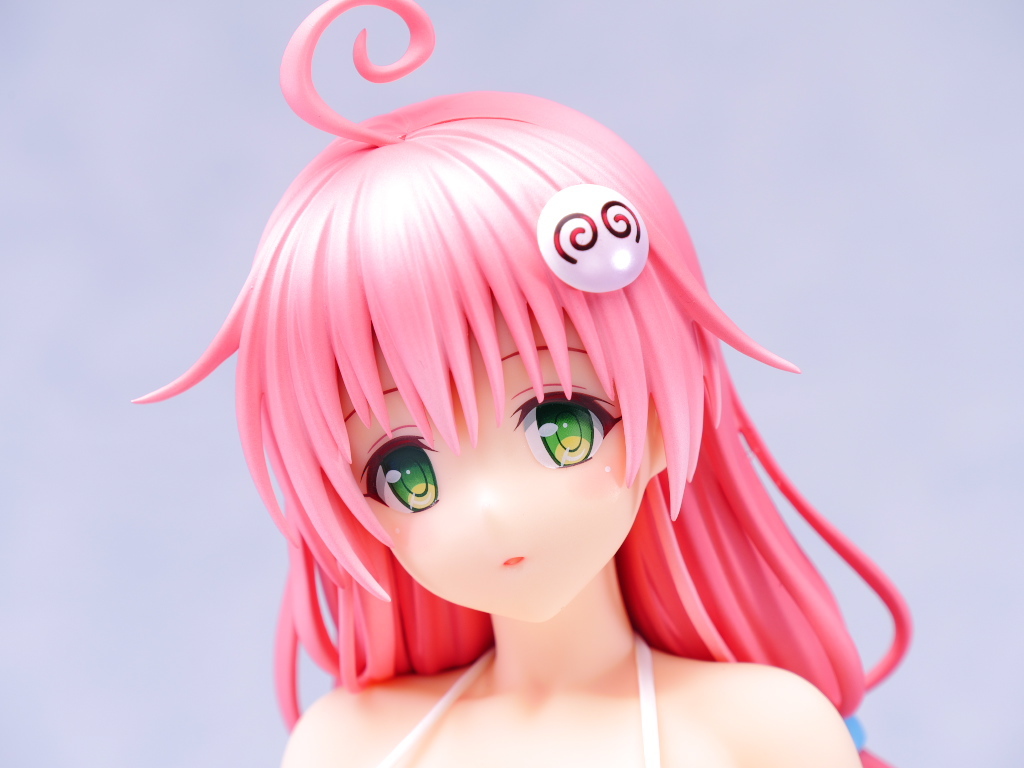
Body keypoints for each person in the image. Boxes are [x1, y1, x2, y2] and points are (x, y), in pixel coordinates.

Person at [138, 1, 910, 765]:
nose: (491, 513)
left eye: (560, 428)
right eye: (405, 474)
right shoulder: (349, 743)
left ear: (658, 424)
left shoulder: (761, 733)